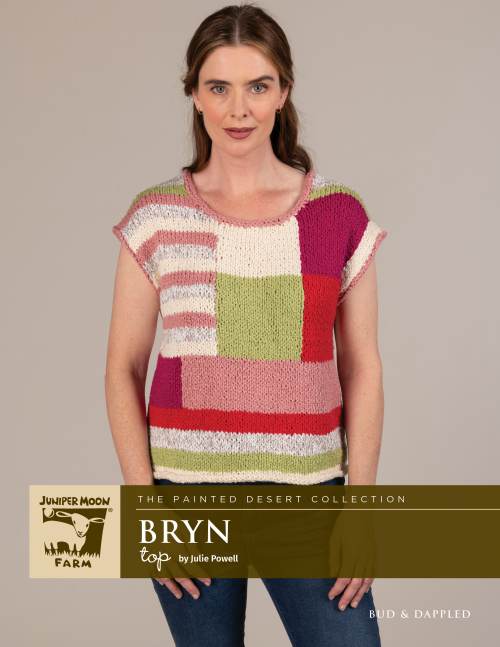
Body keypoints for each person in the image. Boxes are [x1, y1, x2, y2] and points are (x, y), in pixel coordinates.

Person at [105, 4, 387, 646]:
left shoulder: (337, 214)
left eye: (258, 86)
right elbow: (123, 368)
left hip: (309, 496)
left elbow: (363, 367)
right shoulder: (155, 217)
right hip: (186, 500)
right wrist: (145, 506)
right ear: (194, 95)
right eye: (219, 87)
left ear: (284, 92)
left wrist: (361, 507)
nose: (239, 109)